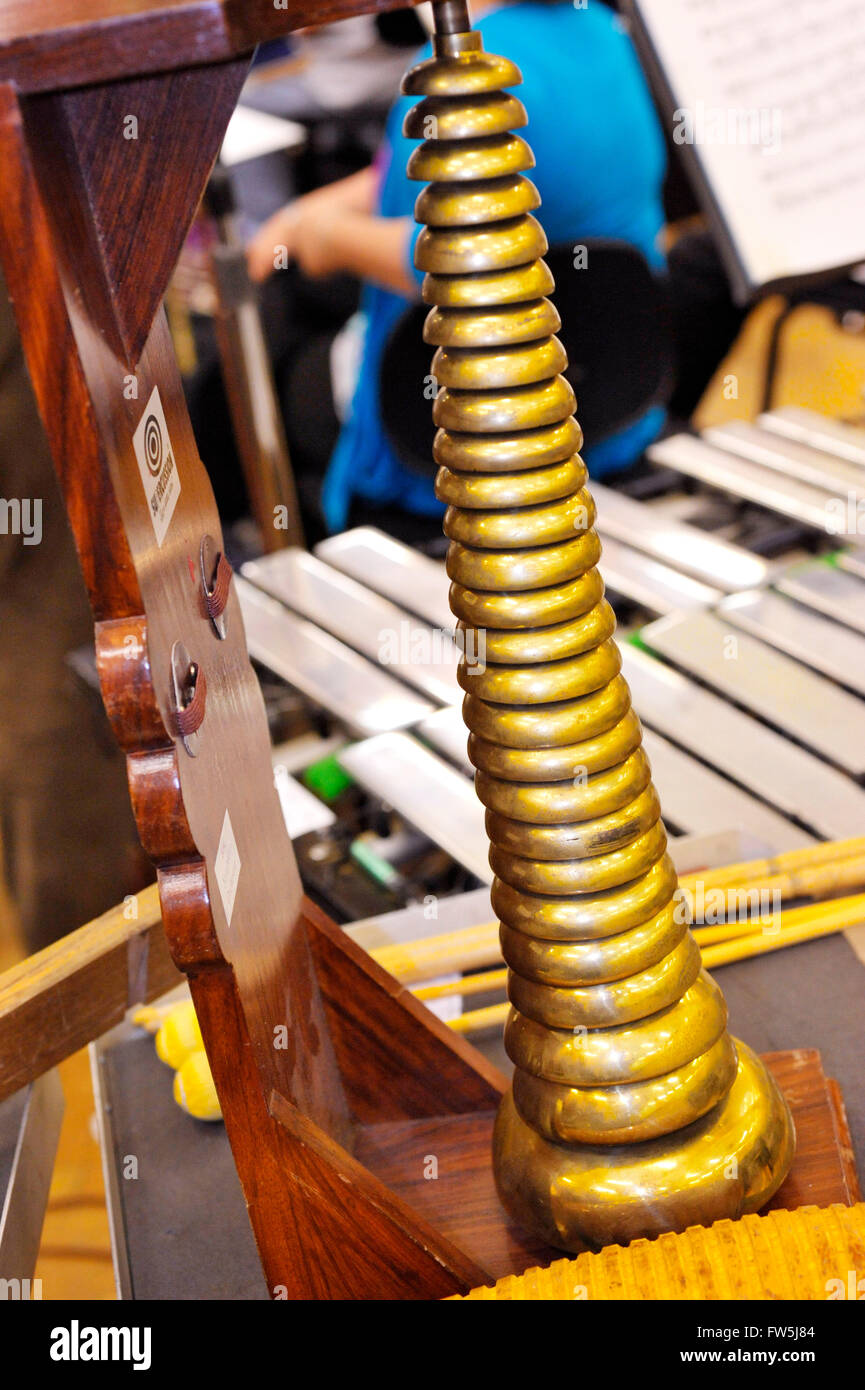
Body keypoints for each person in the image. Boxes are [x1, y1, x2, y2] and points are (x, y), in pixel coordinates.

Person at [248, 0, 667, 536]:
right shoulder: (603, 33)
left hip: (465, 450)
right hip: (615, 400)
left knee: (264, 361)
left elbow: (455, 263)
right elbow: (437, 180)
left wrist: (322, 236)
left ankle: (299, 552)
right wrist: (306, 213)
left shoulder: (457, 70)